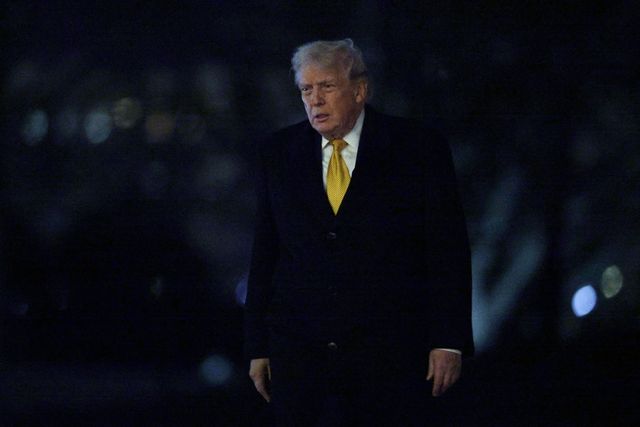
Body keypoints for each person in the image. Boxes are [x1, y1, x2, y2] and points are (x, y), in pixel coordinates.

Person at [244, 38, 473, 426]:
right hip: (300, 358)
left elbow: (446, 248)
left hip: (391, 357)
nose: (315, 100)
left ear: (360, 90)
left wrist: (448, 340)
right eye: (306, 89)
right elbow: (265, 254)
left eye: (327, 86)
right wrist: (257, 346)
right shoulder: (278, 153)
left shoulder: (417, 148)